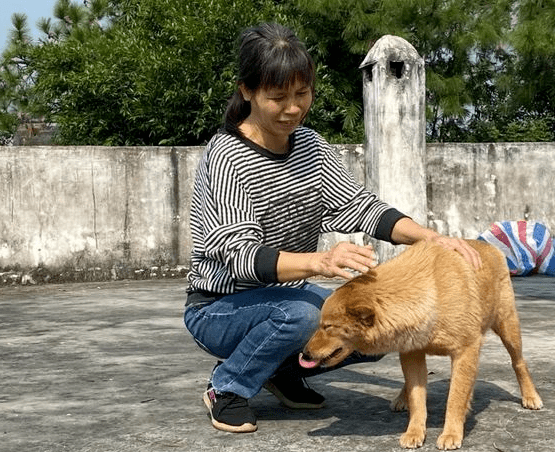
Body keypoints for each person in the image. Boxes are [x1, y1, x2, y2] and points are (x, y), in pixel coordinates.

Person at [183, 22, 482, 434]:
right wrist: (321, 261)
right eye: (278, 97)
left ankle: (281, 372)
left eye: (302, 94)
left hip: (286, 298)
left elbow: (361, 206)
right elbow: (239, 256)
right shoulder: (227, 156)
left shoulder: (310, 146)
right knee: (304, 314)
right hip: (218, 307)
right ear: (247, 91)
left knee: (374, 325)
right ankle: (228, 387)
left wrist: (430, 237)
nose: (293, 108)